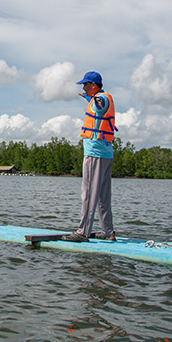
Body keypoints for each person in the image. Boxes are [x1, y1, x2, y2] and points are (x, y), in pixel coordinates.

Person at [63, 72, 117, 242]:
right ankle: (109, 233)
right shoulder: (100, 98)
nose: (83, 88)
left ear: (94, 85)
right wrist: (89, 99)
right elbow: (99, 108)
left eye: (85, 85)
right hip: (105, 153)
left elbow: (100, 105)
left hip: (95, 153)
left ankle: (83, 232)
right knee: (102, 196)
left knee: (88, 192)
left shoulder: (101, 98)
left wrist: (93, 99)